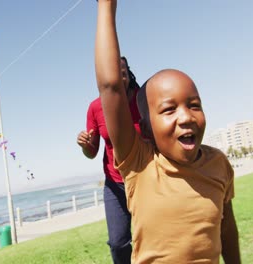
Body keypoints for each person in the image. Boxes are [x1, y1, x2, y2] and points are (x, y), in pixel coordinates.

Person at [93, 0, 241, 263]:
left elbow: (227, 229)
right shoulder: (139, 163)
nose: (186, 116)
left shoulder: (218, 163)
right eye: (169, 109)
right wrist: (106, 6)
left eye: (194, 105)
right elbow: (111, 86)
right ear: (145, 127)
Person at [77, 56, 141, 264]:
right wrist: (86, 145)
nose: (118, 75)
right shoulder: (95, 107)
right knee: (118, 243)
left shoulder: (144, 98)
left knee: (150, 237)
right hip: (115, 184)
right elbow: (92, 152)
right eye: (113, 71)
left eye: (122, 71)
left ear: (128, 73)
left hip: (144, 179)